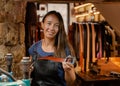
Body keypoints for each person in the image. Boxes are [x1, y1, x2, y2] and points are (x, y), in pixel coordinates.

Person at [28, 10, 76, 86]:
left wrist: (68, 71)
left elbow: (70, 82)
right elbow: (29, 77)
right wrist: (27, 71)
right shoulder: (34, 48)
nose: (52, 28)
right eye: (49, 23)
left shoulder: (65, 50)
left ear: (59, 28)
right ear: (42, 24)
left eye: (56, 25)